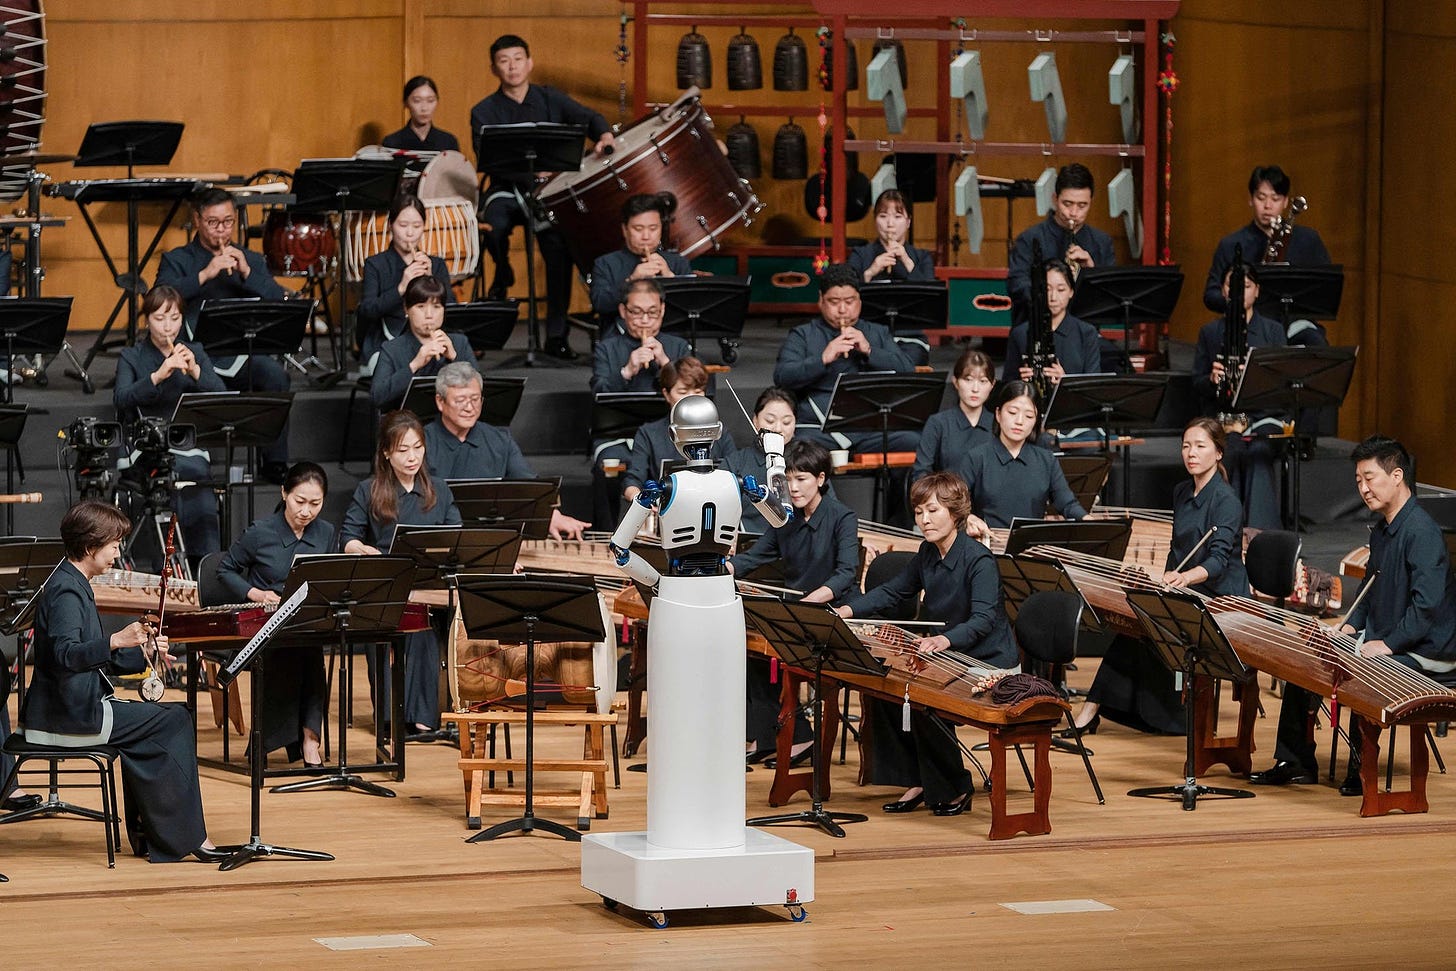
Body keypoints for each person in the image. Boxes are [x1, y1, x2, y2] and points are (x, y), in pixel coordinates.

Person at [18, 500, 225, 862]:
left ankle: (156, 835)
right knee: (175, 719)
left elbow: (95, 657)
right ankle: (186, 838)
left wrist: (139, 649)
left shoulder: (72, 579)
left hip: (72, 706)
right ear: (89, 547)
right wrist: (116, 640)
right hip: (68, 715)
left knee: (162, 724)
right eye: (114, 544)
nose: (118, 551)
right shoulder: (66, 590)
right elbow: (66, 655)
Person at [1252, 436, 1456, 795]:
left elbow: (1427, 609)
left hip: (1428, 652)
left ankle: (1365, 770)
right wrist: (1347, 627)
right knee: (1309, 658)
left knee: (1360, 670)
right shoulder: (1382, 530)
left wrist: (1388, 645)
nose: (1363, 488)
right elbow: (1369, 594)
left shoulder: (1422, 532)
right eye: (1358, 481)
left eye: (1369, 478)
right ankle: (1295, 762)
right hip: (1390, 641)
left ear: (1396, 475)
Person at [837, 471, 1017, 816]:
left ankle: (955, 788)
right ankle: (916, 779)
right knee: (885, 687)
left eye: (933, 511)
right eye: (919, 512)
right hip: (950, 653)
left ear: (956, 512)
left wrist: (943, 639)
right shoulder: (927, 552)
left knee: (925, 698)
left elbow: (983, 621)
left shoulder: (979, 560)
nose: (924, 519)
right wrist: (848, 608)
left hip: (988, 662)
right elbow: (893, 591)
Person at [1069, 418, 1250, 735]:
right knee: (1134, 620)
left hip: (1220, 595)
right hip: (1186, 586)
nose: (1191, 453)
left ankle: (1108, 711)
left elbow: (1219, 561)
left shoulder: (1226, 501)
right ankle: (1094, 709)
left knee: (1149, 625)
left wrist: (1184, 578)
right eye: (1186, 446)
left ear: (1219, 453)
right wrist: (1163, 579)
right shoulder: (1182, 491)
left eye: (1200, 446)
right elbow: (1176, 548)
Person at [470, 33, 615, 358]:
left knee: (558, 247)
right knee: (495, 223)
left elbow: (589, 116)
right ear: (494, 68)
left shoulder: (550, 98)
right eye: (504, 61)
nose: (512, 66)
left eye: (518, 59)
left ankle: (556, 335)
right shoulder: (483, 110)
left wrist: (604, 134)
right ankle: (502, 269)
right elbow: (488, 159)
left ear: (529, 63)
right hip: (508, 188)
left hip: (549, 193)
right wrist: (531, 173)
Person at [732, 439, 858, 762]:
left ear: (820, 479)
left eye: (800, 479)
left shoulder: (842, 517)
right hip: (798, 612)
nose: (793, 487)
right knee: (753, 654)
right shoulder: (784, 517)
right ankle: (772, 737)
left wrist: (811, 602)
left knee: (781, 655)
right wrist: (725, 567)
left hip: (832, 611)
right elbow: (757, 555)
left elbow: (846, 573)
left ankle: (800, 738)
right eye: (787, 479)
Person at [154, 187, 291, 480]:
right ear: (197, 220)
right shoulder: (177, 259)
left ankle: (275, 462)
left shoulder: (250, 259)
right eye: (213, 222)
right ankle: (188, 460)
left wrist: (247, 274)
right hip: (192, 353)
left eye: (228, 222)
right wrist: (205, 273)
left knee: (275, 375)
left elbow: (279, 301)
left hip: (240, 352)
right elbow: (158, 298)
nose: (222, 230)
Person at [341, 411, 461, 737]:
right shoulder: (369, 490)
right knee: (389, 629)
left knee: (423, 628)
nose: (412, 457)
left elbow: (456, 538)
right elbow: (349, 537)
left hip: (427, 587)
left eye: (418, 448)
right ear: (386, 453)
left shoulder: (439, 490)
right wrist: (360, 549)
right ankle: (390, 718)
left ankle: (423, 719)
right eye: (403, 450)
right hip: (384, 586)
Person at [216, 462, 335, 766]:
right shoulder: (260, 532)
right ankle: (283, 741)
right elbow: (224, 570)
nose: (306, 511)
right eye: (299, 501)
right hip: (263, 624)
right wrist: (255, 593)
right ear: (284, 493)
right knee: (301, 654)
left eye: (315, 503)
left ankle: (310, 741)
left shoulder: (325, 532)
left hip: (305, 621)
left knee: (310, 651)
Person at [114, 285, 226, 560]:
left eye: (175, 318)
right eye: (160, 318)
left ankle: (206, 561)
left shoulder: (195, 351)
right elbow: (121, 398)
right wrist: (157, 376)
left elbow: (222, 396)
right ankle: (171, 562)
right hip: (145, 445)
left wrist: (196, 371)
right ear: (147, 319)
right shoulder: (132, 356)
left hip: (187, 442)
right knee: (176, 472)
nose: (168, 326)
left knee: (197, 474)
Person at [425, 361, 590, 540]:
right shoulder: (423, 442)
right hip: (437, 535)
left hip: (491, 536)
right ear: (440, 402)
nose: (469, 408)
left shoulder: (499, 438)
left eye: (475, 399)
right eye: (460, 400)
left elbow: (528, 485)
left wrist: (552, 516)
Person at [772, 262, 917, 453]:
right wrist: (822, 358)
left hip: (870, 427)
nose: (842, 310)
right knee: (799, 447)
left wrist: (869, 350)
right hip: (819, 427)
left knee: (912, 441)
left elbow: (908, 370)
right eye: (834, 302)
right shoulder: (803, 334)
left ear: (860, 301)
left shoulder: (877, 332)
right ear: (821, 300)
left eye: (849, 302)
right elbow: (783, 376)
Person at [1191, 262, 1288, 530]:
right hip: (1224, 417)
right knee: (1229, 449)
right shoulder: (1210, 332)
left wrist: (1256, 378)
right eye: (1231, 287)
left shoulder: (1273, 331)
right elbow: (1196, 382)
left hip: (1262, 417)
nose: (1237, 293)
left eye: (1245, 287)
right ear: (1222, 291)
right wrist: (1212, 380)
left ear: (1256, 291)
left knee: (1258, 450)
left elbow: (1283, 383)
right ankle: (1223, 529)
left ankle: (1261, 535)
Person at [955, 380, 1087, 538]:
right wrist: (969, 518)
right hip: (987, 546)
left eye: (1029, 415)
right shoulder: (977, 457)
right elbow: (955, 506)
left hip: (1032, 547)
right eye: (1012, 412)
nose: (1019, 421)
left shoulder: (1046, 460)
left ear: (1035, 420)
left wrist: (1088, 519)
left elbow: (1067, 503)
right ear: (998, 414)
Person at [1203, 164, 1332, 324]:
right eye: (1261, 198)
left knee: (1315, 341)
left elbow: (1327, 289)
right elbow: (1211, 294)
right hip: (1248, 324)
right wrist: (1239, 300)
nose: (1268, 206)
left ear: (1285, 202)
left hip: (1298, 324)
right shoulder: (1231, 244)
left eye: (1275, 198)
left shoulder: (1308, 239)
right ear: (1250, 199)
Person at [357, 195, 456, 373]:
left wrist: (432, 281)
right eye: (403, 226)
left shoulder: (437, 264)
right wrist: (401, 287)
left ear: (424, 227)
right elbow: (367, 311)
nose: (410, 233)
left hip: (428, 339)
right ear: (390, 226)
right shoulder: (376, 264)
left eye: (417, 226)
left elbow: (452, 309)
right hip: (385, 343)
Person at [1006, 163, 1115, 322]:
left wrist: (1091, 273)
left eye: (1082, 205)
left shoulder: (1102, 242)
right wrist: (1051, 291)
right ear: (1055, 199)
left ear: (1091, 202)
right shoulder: (1030, 239)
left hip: (1084, 332)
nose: (1073, 213)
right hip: (1037, 328)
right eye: (1067, 204)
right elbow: (1016, 286)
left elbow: (1110, 297)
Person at [621, 356, 735, 504]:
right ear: (666, 394)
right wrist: (641, 502)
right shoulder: (648, 433)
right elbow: (633, 480)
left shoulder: (718, 431)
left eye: (698, 391)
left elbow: (735, 473)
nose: (690, 399)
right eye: (682, 392)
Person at [847, 188, 934, 365]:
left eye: (897, 217)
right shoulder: (861, 254)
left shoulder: (922, 257)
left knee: (909, 361)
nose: (890, 224)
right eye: (883, 216)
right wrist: (871, 271)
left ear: (908, 222)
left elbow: (930, 299)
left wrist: (907, 262)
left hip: (910, 337)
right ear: (875, 220)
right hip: (868, 333)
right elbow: (846, 291)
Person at [370, 275, 474, 411]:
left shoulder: (459, 342)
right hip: (409, 425)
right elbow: (376, 397)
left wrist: (455, 358)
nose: (429, 314)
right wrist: (414, 365)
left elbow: (480, 390)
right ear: (406, 309)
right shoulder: (392, 349)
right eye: (421, 306)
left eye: (436, 306)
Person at [588, 194, 692, 324]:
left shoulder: (679, 263)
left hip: (670, 338)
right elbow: (600, 304)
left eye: (653, 228)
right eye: (638, 229)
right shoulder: (605, 263)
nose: (646, 236)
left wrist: (670, 279)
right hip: (620, 340)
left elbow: (692, 310)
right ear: (625, 230)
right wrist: (632, 281)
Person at [1001, 259, 1103, 383]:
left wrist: (1065, 381)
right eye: (1047, 290)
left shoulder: (1086, 333)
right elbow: (1006, 386)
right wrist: (1021, 382)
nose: (1053, 297)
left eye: (1061, 290)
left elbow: (1093, 384)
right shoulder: (1021, 333)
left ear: (1071, 292)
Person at [912, 348, 994, 483]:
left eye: (983, 381)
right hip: (946, 500)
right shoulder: (938, 423)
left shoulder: (998, 424)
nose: (975, 388)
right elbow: (921, 472)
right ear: (955, 382)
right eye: (968, 379)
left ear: (992, 385)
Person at [725, 387, 798, 534]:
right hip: (749, 546)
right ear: (755, 421)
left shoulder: (807, 458)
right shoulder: (737, 462)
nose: (778, 428)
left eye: (786, 422)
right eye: (770, 420)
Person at [382, 75, 461, 153]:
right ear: (406, 103)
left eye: (430, 100)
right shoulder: (392, 143)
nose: (424, 108)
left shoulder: (448, 142)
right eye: (417, 101)